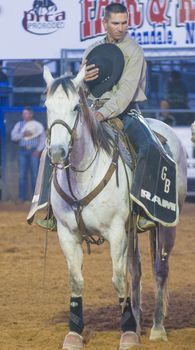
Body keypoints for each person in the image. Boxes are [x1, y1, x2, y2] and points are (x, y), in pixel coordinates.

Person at [36, 3, 177, 231]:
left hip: (126, 112)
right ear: (105, 23)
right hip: (91, 109)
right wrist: (82, 77)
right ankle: (52, 209)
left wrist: (99, 114)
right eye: (115, 23)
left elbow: (125, 93)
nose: (121, 28)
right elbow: (79, 91)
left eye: (124, 23)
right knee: (52, 147)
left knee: (149, 147)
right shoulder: (92, 50)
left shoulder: (135, 51)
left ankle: (142, 208)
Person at [11, 106, 46, 202]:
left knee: (35, 175)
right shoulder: (19, 124)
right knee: (22, 175)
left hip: (33, 151)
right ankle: (22, 197)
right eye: (23, 114)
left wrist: (38, 150)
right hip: (22, 151)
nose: (24, 115)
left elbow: (43, 139)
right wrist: (22, 134)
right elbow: (13, 136)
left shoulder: (38, 125)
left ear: (31, 114)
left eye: (26, 113)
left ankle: (36, 198)